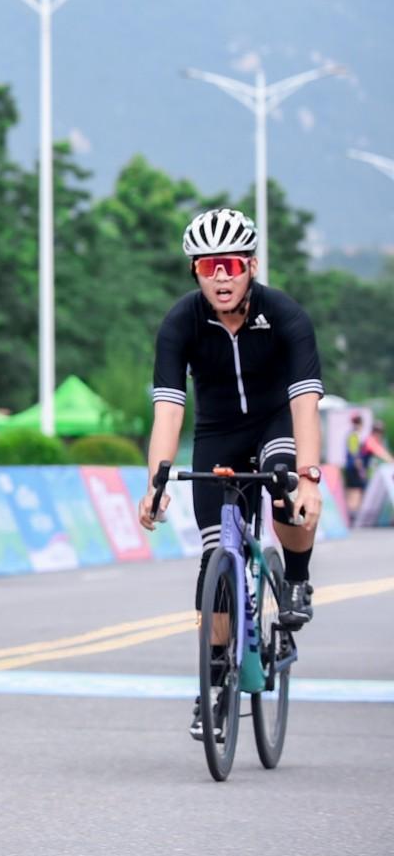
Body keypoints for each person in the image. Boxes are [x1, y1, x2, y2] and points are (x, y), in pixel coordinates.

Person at [136, 207, 324, 745]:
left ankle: (296, 577)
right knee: (214, 555)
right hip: (218, 433)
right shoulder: (181, 322)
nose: (220, 276)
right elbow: (168, 410)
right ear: (194, 271)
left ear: (251, 267)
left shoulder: (284, 314)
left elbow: (305, 402)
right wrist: (155, 484)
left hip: (275, 422)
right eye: (207, 266)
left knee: (285, 487)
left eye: (232, 264)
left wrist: (309, 478)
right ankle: (216, 679)